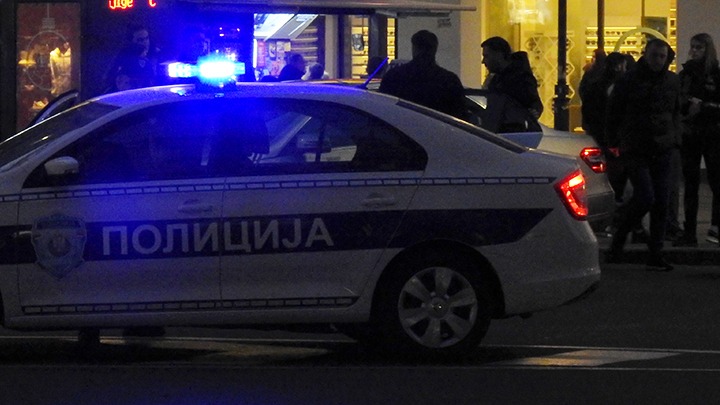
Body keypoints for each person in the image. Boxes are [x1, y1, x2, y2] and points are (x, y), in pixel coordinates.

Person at [605, 38, 682, 271]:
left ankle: (655, 253)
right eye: (654, 56)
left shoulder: (671, 81)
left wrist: (675, 137)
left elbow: (676, 110)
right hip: (636, 147)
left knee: (661, 201)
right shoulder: (629, 80)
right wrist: (614, 143)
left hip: (662, 146)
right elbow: (614, 112)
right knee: (646, 196)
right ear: (645, 55)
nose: (658, 60)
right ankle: (621, 237)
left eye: (662, 56)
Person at [673, 33, 720, 247]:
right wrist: (687, 108)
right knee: (691, 184)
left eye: (699, 47)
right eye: (693, 46)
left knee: (716, 182)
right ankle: (690, 231)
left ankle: (715, 227)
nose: (694, 51)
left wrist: (704, 107)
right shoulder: (686, 74)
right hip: (691, 134)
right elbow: (677, 102)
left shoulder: (716, 75)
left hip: (712, 134)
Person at [379, 30, 467, 120]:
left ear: (414, 48)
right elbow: (460, 115)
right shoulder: (449, 80)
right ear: (435, 49)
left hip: (400, 126)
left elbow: (382, 108)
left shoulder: (395, 76)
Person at [481, 36, 543, 119]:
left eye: (486, 56)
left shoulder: (520, 79)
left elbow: (534, 105)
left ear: (498, 55)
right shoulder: (495, 79)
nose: (483, 61)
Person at [105, 23, 158, 93]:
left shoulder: (155, 54)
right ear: (132, 42)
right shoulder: (124, 60)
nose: (145, 42)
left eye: (147, 38)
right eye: (140, 40)